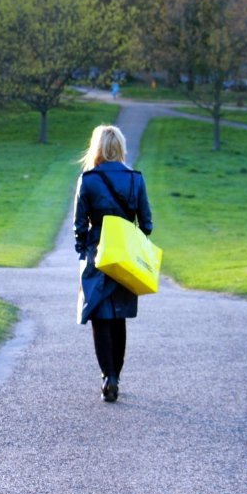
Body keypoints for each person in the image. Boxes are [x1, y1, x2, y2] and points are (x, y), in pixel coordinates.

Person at [73, 125, 153, 403]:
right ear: (119, 147)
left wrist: (84, 252)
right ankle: (115, 375)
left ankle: (108, 375)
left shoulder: (88, 180)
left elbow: (79, 227)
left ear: (96, 148)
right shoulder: (135, 179)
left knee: (99, 315)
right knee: (118, 316)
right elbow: (148, 224)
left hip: (97, 253)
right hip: (125, 255)